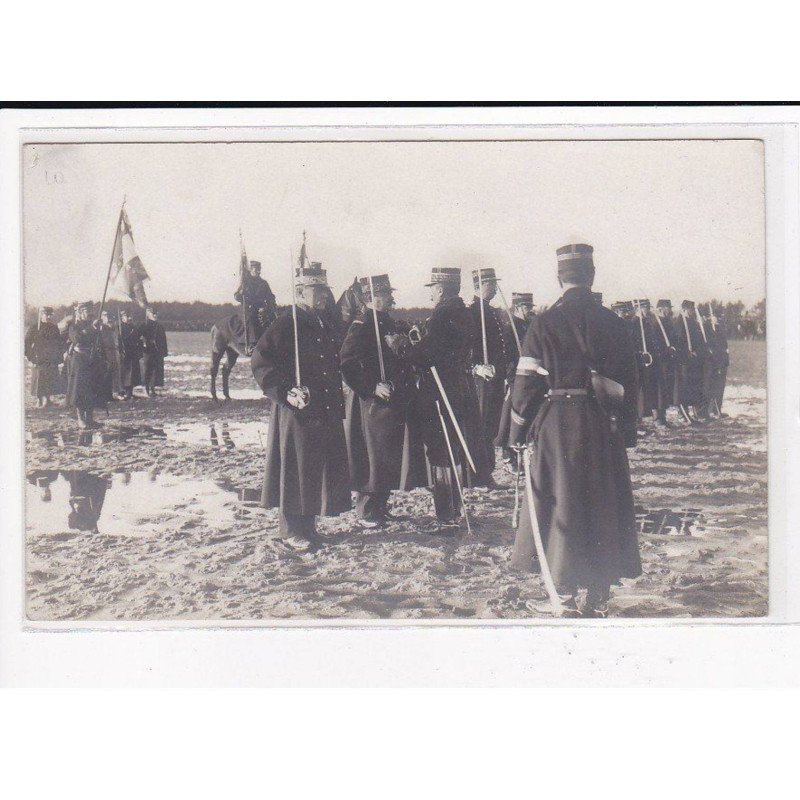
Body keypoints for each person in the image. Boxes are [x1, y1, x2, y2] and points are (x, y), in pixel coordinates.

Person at [508, 243, 641, 618]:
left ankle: (563, 593)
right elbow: (631, 383)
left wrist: (518, 433)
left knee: (560, 502)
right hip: (603, 425)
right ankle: (597, 590)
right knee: (601, 504)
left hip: (555, 427)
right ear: (592, 275)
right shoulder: (614, 323)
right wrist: (626, 434)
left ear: (559, 278)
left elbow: (525, 384)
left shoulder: (544, 322)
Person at [250, 260, 351, 549]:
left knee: (313, 468)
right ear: (299, 292)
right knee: (294, 468)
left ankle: (308, 527)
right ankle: (291, 531)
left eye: (324, 290)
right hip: (297, 410)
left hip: (322, 409)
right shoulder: (286, 324)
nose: (322, 296)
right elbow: (261, 362)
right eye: (315, 290)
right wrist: (285, 392)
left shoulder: (321, 323)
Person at [386, 267, 484, 526]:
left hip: (440, 391)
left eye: (432, 289)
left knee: (441, 451)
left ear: (440, 290)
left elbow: (426, 356)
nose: (430, 294)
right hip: (460, 387)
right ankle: (455, 508)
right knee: (453, 446)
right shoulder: (465, 313)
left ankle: (446, 513)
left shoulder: (442, 316)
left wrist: (401, 346)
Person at [340, 274, 426, 527]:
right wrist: (372, 386)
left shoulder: (386, 321)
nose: (392, 298)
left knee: (387, 453)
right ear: (372, 298)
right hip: (371, 403)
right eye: (387, 294)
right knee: (372, 455)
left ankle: (380, 506)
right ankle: (366, 511)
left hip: (391, 400)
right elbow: (347, 362)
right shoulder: (362, 324)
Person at [468, 268, 507, 487]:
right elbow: (467, 347)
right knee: (481, 426)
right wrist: (476, 366)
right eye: (489, 284)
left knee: (491, 425)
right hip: (481, 380)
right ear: (478, 286)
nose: (493, 288)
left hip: (494, 378)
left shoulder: (490, 312)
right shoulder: (473, 312)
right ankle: (480, 475)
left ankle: (487, 472)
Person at [495, 292, 535, 469]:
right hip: (516, 376)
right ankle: (507, 453)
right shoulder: (509, 328)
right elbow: (507, 356)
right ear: (518, 308)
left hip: (529, 375)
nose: (529, 311)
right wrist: (511, 376)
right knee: (512, 415)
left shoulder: (529, 325)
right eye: (527, 307)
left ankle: (521, 452)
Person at [64, 302, 107, 429]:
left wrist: (104, 357)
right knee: (79, 390)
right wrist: (92, 328)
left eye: (90, 312)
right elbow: (77, 339)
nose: (89, 314)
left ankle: (90, 418)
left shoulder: (94, 326)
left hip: (92, 360)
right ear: (80, 313)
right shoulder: (73, 326)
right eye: (86, 312)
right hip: (79, 361)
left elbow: (99, 341)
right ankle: (80, 419)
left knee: (92, 389)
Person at [673, 300, 708, 421]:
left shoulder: (693, 323)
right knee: (683, 386)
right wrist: (687, 352)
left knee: (693, 386)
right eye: (690, 309)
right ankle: (682, 412)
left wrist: (698, 351)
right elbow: (677, 342)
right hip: (684, 361)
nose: (692, 311)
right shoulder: (679, 322)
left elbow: (698, 340)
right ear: (684, 310)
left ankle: (695, 411)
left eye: (693, 309)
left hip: (694, 361)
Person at [24, 306, 65, 407]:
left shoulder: (54, 327)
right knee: (39, 379)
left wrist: (58, 356)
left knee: (50, 378)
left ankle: (48, 400)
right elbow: (27, 343)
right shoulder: (35, 327)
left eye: (50, 315)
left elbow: (58, 343)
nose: (48, 317)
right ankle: (39, 400)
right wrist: (31, 356)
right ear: (41, 315)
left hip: (51, 358)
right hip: (39, 358)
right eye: (46, 315)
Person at [234, 259, 277, 347]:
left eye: (259, 269)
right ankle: (252, 344)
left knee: (273, 319)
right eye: (256, 269)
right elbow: (236, 296)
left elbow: (270, 296)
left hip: (262, 307)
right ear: (250, 270)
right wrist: (241, 294)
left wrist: (272, 304)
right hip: (248, 308)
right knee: (252, 319)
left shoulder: (263, 283)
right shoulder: (245, 283)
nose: (258, 271)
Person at [653, 299, 679, 424]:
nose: (669, 310)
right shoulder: (654, 322)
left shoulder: (669, 322)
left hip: (669, 360)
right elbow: (654, 343)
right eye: (667, 307)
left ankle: (663, 415)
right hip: (659, 360)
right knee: (659, 387)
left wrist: (673, 347)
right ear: (661, 308)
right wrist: (665, 350)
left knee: (667, 386)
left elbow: (674, 338)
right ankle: (658, 417)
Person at [137, 306, 168, 398]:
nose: (155, 315)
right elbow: (138, 336)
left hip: (157, 351)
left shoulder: (159, 326)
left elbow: (163, 340)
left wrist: (163, 352)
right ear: (149, 314)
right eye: (153, 313)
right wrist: (143, 341)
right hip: (147, 351)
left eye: (156, 313)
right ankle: (146, 388)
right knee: (147, 370)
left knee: (155, 371)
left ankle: (152, 389)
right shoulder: (144, 325)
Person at [705, 305, 730, 416]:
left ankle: (717, 409)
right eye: (716, 316)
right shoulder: (707, 327)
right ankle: (709, 410)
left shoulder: (721, 328)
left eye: (720, 316)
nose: (718, 318)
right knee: (711, 386)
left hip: (722, 361)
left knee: (720, 386)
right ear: (711, 317)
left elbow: (724, 346)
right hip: (712, 362)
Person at [117, 309, 142, 400]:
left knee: (133, 374)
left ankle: (130, 392)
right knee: (125, 373)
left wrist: (139, 350)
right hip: (124, 353)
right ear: (122, 317)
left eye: (130, 316)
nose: (129, 318)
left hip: (133, 352)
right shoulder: (119, 327)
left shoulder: (133, 327)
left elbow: (138, 339)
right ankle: (123, 391)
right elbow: (118, 340)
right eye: (127, 316)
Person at [99, 310, 122, 400]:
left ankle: (113, 392)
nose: (107, 317)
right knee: (106, 373)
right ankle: (105, 394)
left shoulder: (115, 327)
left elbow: (118, 339)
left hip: (115, 352)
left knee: (115, 372)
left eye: (108, 315)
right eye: (105, 315)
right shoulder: (101, 328)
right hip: (105, 352)